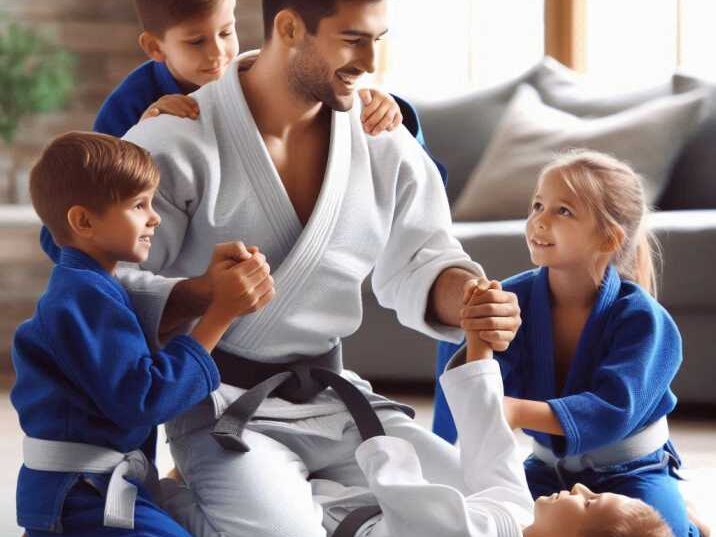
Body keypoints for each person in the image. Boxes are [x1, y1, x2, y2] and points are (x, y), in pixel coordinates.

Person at [110, 0, 522, 536]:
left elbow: (426, 259)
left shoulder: (384, 140)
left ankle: (326, 507)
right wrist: (206, 293)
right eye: (352, 39)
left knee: (485, 516)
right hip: (225, 409)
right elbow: (114, 285)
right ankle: (183, 498)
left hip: (337, 397)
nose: (371, 60)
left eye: (378, 38)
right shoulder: (173, 139)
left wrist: (469, 298)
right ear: (288, 28)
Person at [12, 132, 274, 536]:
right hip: (81, 496)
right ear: (83, 221)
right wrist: (220, 314)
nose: (155, 217)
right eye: (138, 205)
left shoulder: (93, 285)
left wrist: (208, 287)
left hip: (91, 490)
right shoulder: (83, 296)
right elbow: (144, 399)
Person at [435, 150, 703, 537]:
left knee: (662, 531)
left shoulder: (643, 320)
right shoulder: (512, 299)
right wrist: (447, 451)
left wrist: (516, 411)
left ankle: (686, 515)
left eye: (563, 211)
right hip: (548, 473)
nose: (538, 221)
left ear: (608, 236)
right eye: (537, 205)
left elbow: (614, 408)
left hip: (633, 470)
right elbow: (474, 377)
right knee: (479, 519)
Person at [351, 282, 673, 537]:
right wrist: (479, 341)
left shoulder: (641, 318)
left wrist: (385, 456)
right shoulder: (517, 509)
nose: (580, 489)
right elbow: (491, 450)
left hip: (353, 517)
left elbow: (411, 503)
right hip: (541, 466)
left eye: (588, 503)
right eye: (538, 206)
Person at [95, 0, 404, 139]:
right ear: (155, 47)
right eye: (196, 41)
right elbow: (89, 202)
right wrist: (142, 136)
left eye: (227, 32)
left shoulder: (260, 76)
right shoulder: (131, 103)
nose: (218, 53)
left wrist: (386, 111)